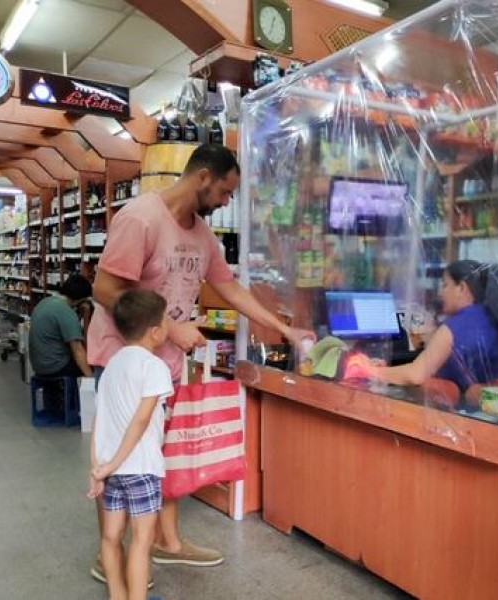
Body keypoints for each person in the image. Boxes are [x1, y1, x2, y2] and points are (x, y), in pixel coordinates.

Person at [87, 143, 315, 577]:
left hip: (162, 363)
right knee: (121, 456)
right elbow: (105, 290)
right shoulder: (140, 218)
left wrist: (284, 329)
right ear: (204, 176)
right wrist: (172, 328)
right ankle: (109, 556)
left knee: (157, 454)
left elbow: (230, 289)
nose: (227, 202)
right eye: (226, 192)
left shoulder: (203, 235)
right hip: (122, 358)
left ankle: (165, 542)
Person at [87, 290, 173, 600]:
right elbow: (140, 422)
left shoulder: (112, 365)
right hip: (140, 467)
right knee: (142, 539)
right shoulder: (154, 367)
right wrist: (109, 465)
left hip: (112, 469)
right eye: (167, 321)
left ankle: (118, 596)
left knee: (111, 537)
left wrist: (97, 468)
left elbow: (100, 420)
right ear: (155, 331)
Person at [369, 260, 498, 394]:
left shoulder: (455, 326)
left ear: (461, 288)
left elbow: (416, 375)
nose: (440, 293)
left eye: (444, 285)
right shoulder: (492, 317)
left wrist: (371, 371)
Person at [29, 274, 94, 378]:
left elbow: (65, 325)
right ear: (80, 299)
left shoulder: (46, 301)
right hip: (55, 367)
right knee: (88, 364)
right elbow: (77, 351)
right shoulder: (66, 312)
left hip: (38, 365)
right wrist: (91, 377)